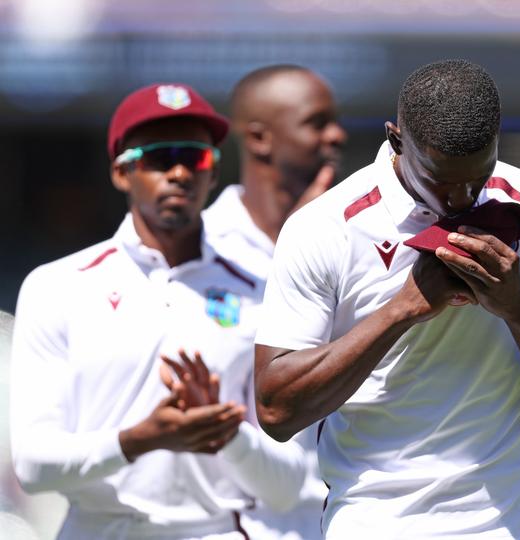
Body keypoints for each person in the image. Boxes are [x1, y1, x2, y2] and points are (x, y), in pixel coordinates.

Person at [253, 59, 520, 539]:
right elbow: (276, 411)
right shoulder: (324, 226)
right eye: (441, 179)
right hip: (373, 522)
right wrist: (401, 311)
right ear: (397, 140)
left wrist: (516, 307)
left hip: (510, 524)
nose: (461, 198)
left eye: (477, 177)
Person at [10, 82, 307, 539]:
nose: (181, 173)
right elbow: (34, 465)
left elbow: (287, 486)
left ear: (214, 170)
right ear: (121, 172)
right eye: (160, 157)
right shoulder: (58, 286)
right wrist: (141, 439)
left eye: (196, 157)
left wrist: (226, 433)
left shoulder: (260, 289)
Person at [204, 65, 347, 539]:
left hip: (338, 519)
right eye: (316, 122)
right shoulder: (202, 245)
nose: (337, 135)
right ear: (260, 138)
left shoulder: (355, 238)